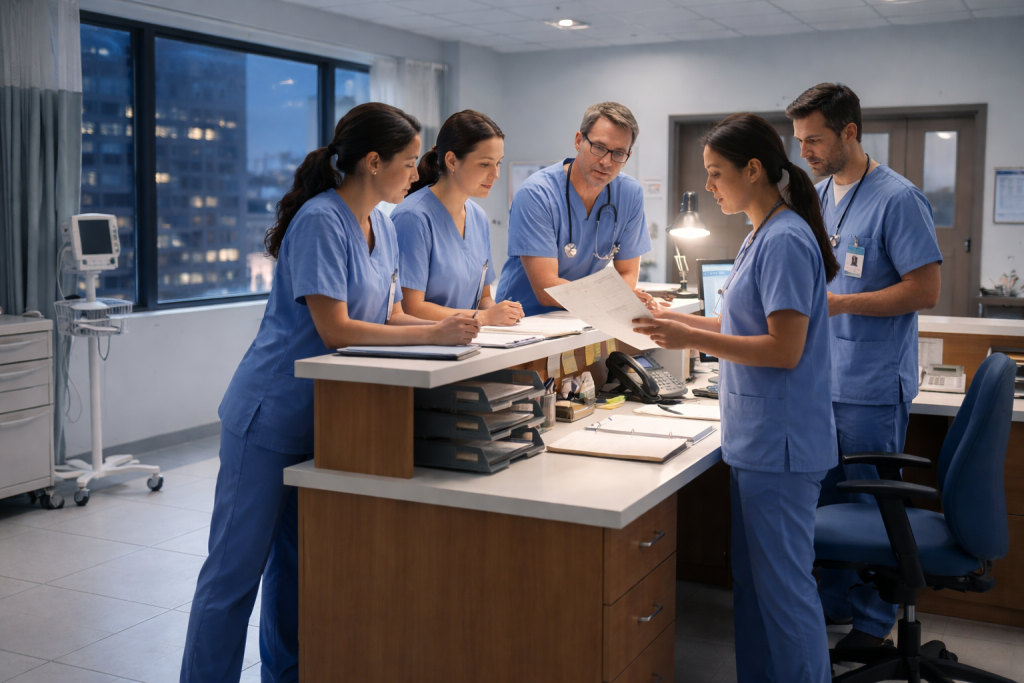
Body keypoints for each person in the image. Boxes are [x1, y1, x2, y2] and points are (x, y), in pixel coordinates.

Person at [179, 103, 480, 683]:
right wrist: (434, 334)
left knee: (296, 572)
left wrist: (448, 331)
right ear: (373, 162)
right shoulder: (321, 220)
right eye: (408, 162)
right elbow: (336, 329)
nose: (415, 174)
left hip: (328, 419)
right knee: (234, 575)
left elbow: (389, 314)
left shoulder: (382, 225)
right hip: (270, 415)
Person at [633, 113, 840, 683]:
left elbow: (783, 349)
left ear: (753, 169)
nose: (709, 186)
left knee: (785, 593)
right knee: (755, 587)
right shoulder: (760, 232)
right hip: (757, 440)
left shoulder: (786, 239)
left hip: (782, 445)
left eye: (716, 173)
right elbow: (745, 322)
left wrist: (689, 338)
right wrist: (678, 319)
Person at [787, 83, 942, 649]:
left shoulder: (898, 199)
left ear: (849, 131)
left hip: (871, 383)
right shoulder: (816, 196)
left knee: (874, 506)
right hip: (819, 380)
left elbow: (925, 290)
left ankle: (874, 625)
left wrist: (843, 304)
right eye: (799, 140)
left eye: (814, 139)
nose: (804, 151)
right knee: (827, 502)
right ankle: (834, 604)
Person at [495, 102, 654, 316]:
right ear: (579, 141)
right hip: (525, 319)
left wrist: (612, 300)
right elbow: (546, 289)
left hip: (584, 316)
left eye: (618, 153)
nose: (607, 162)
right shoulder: (536, 194)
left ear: (628, 156)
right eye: (599, 147)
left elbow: (627, 272)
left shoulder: (629, 194)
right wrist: (613, 298)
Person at [392, 110, 522, 326]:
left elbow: (483, 299)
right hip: (424, 342)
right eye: (485, 164)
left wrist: (502, 313)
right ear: (452, 161)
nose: (495, 174)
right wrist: (483, 317)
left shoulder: (478, 217)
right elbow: (410, 308)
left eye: (498, 163)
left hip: (469, 338)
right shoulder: (412, 218)